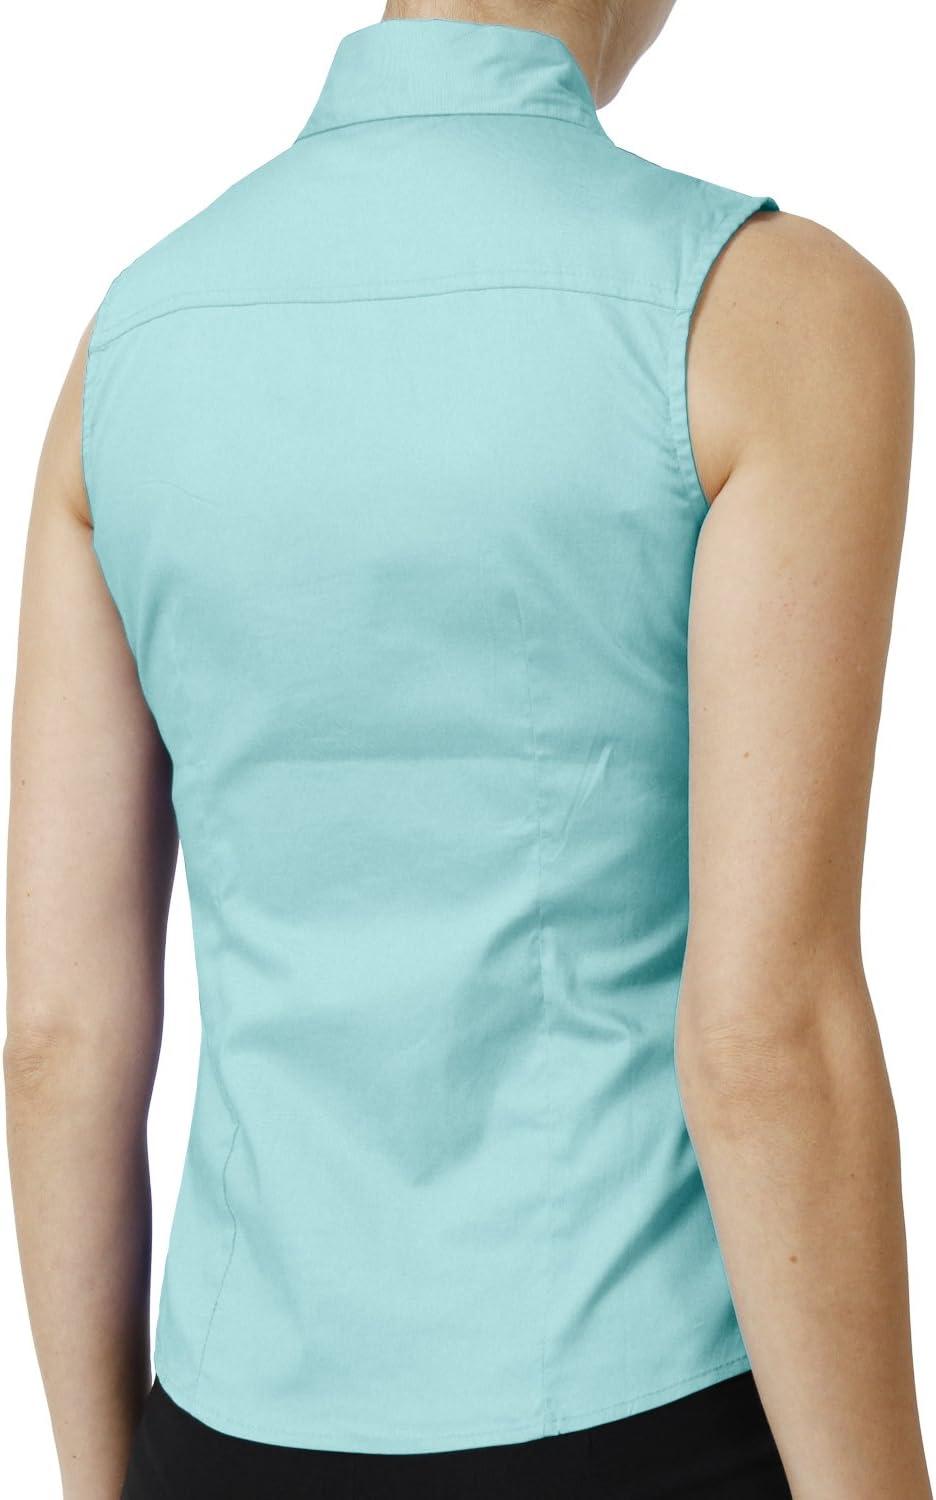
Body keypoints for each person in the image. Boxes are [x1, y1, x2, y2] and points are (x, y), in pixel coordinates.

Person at [4, 0, 930, 1496]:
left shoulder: (131, 341)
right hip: (638, 1413)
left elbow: (56, 1035)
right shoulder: (771, 311)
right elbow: (767, 1038)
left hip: (230, 1433)